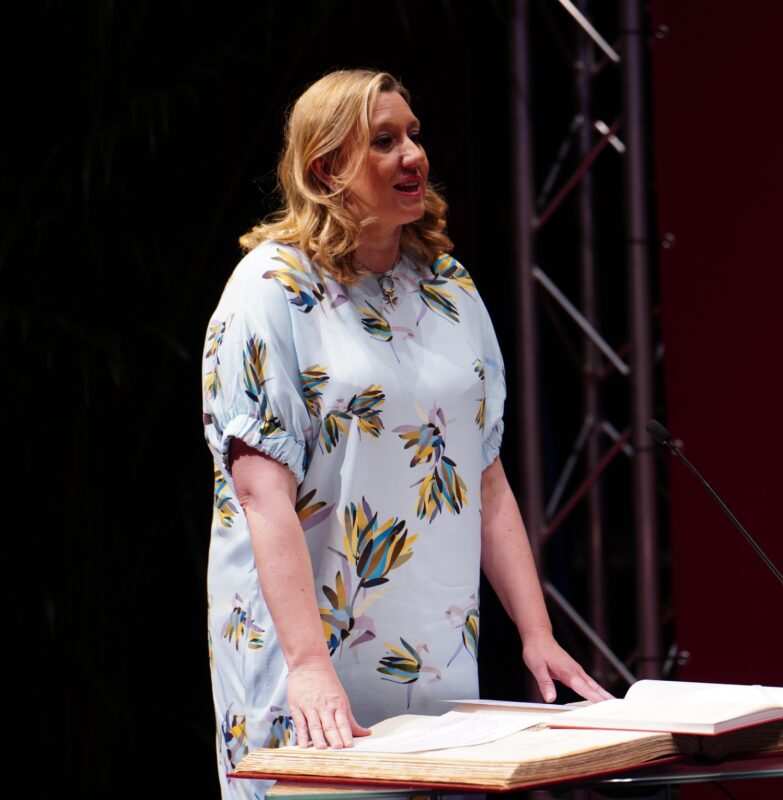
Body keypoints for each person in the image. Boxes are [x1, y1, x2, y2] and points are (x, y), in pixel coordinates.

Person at [201, 69, 611, 797]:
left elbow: (484, 477)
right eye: (383, 141)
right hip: (308, 658)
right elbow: (262, 496)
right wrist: (308, 666)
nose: (413, 155)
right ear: (326, 169)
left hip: (433, 650)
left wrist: (537, 633)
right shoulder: (270, 290)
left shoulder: (448, 287)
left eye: (413, 135)